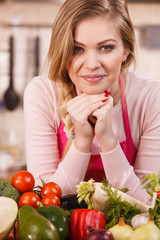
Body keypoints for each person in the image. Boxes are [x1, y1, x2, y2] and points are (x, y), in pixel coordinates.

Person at [24, 0, 160, 205]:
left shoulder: (150, 97)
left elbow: (148, 204)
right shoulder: (42, 94)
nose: (92, 65)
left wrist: (108, 141)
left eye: (106, 48)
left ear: (126, 50)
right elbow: (44, 201)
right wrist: (81, 141)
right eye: (77, 49)